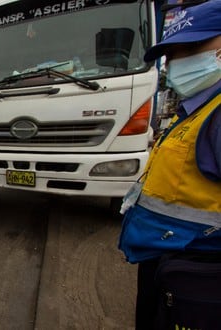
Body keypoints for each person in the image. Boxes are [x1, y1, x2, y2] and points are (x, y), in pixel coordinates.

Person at [118, 0, 220, 328]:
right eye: (172, 54)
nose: (177, 62)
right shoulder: (196, 109)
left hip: (201, 278)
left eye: (191, 48)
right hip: (171, 267)